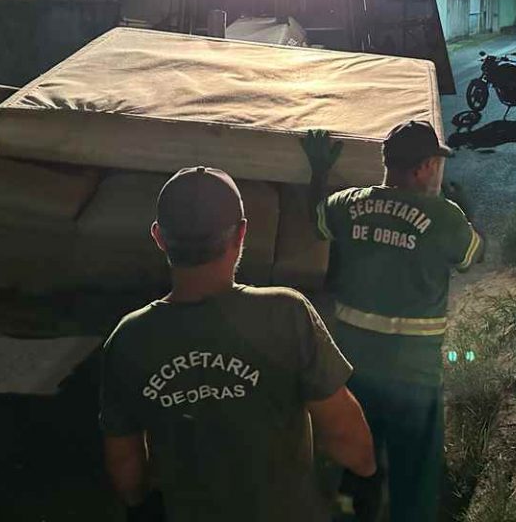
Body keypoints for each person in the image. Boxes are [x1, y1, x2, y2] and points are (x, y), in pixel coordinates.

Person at [100, 166, 376, 521]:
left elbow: (124, 459)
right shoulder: (286, 314)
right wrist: (368, 472)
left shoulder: (129, 338)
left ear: (159, 237)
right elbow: (344, 434)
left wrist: (138, 502)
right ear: (242, 233)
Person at [303, 121, 483, 522]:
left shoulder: (347, 204)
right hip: (414, 378)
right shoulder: (444, 216)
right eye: (435, 162)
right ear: (423, 168)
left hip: (353, 373)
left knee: (355, 468)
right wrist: (462, 209)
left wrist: (318, 171)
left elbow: (315, 218)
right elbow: (472, 256)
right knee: (414, 479)